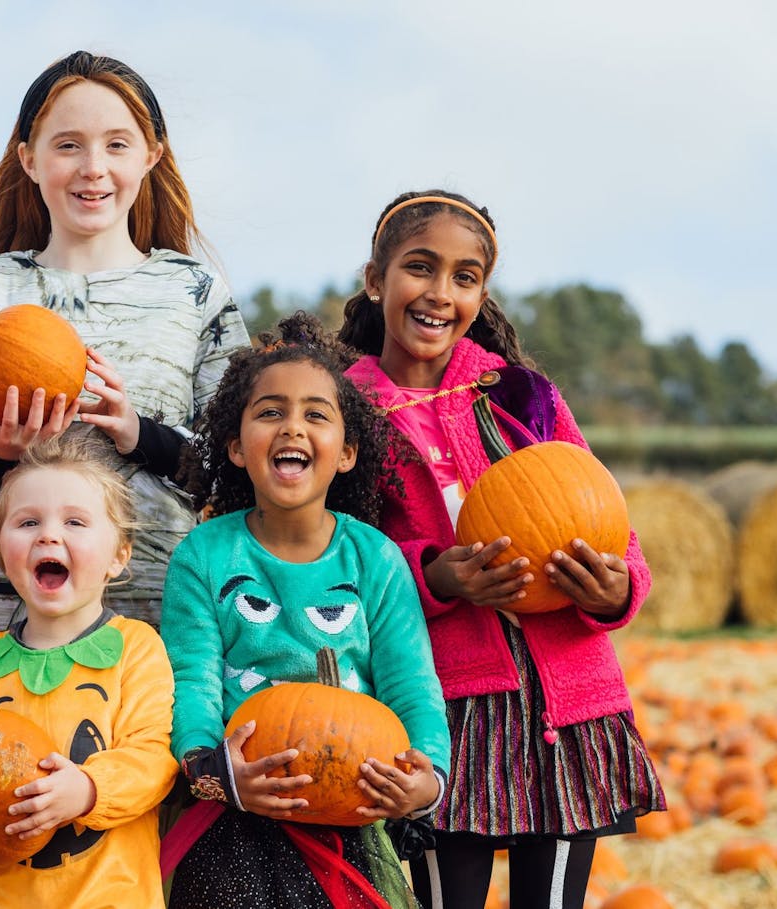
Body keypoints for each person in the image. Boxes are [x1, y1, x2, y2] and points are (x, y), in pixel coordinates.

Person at [0, 49, 248, 906]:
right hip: (10, 611)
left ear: (151, 155)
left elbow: (236, 469)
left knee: (152, 845)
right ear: (28, 158)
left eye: (116, 143)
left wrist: (138, 432)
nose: (92, 166)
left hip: (158, 609)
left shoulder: (195, 293)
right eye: (67, 145)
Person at [338, 190, 665, 909]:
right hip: (441, 710)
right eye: (420, 268)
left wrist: (616, 588)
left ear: (482, 293)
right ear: (375, 279)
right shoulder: (345, 415)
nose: (440, 293)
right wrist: (434, 575)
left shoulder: (521, 396)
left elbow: (606, 518)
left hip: (564, 709)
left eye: (464, 277)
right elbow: (337, 559)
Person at [161, 311, 450, 909]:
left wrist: (426, 783)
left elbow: (413, 687)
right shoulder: (204, 555)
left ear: (346, 453)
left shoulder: (375, 559)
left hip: (351, 820)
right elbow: (191, 682)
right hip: (233, 819)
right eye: (271, 412)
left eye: (315, 414)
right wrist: (210, 771)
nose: (293, 426)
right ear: (237, 448)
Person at [0, 434, 177, 908]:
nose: (48, 535)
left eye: (75, 522)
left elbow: (153, 761)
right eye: (27, 522)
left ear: (119, 555)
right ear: (2, 552)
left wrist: (87, 788)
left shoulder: (136, 649)